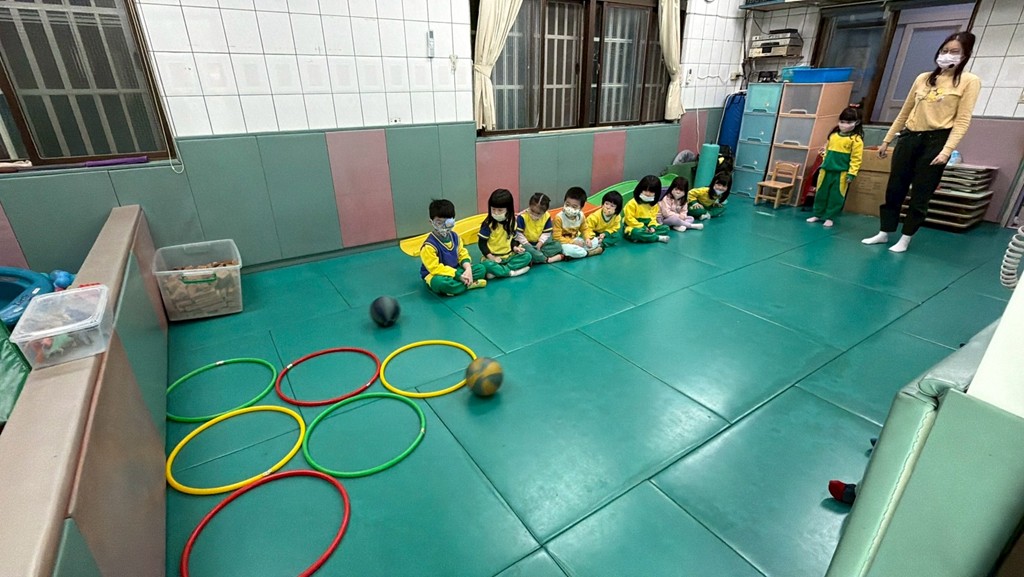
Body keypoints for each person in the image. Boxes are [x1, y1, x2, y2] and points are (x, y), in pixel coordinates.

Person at [862, 31, 981, 253]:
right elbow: (905, 111)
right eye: (944, 50)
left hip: (936, 141)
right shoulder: (923, 78)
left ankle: (906, 238)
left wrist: (946, 151)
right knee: (895, 188)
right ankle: (884, 232)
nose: (947, 55)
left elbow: (963, 120)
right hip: (910, 136)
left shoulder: (969, 81)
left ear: (965, 55)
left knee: (921, 193)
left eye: (954, 51)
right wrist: (887, 139)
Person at [806, 107, 864, 228]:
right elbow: (827, 151)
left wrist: (851, 173)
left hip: (841, 173)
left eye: (848, 122)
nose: (844, 125)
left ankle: (830, 217)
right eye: (842, 121)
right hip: (826, 170)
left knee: (836, 196)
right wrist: (824, 161)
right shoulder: (833, 136)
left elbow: (856, 159)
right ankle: (818, 214)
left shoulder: (856, 140)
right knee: (821, 193)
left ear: (856, 122)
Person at [419, 199, 487, 296]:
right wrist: (458, 275)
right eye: (439, 223)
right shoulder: (429, 246)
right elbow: (435, 268)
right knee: (440, 283)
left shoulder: (455, 237)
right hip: (438, 274)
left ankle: (458, 287)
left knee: (481, 269)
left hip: (456, 270)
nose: (444, 226)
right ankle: (468, 284)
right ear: (431, 222)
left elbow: (462, 254)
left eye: (448, 223)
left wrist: (468, 269)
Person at [478, 189, 532, 278]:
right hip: (493, 258)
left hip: (509, 256)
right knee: (486, 265)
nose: (496, 213)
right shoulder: (488, 224)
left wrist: (515, 248)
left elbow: (514, 239)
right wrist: (492, 258)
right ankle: (511, 272)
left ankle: (500, 271)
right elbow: (482, 244)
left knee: (527, 256)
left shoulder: (512, 222)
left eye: (500, 210)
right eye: (493, 209)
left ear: (508, 210)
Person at [553, 187, 602, 258]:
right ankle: (587, 253)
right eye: (567, 204)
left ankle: (581, 252)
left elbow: (584, 229)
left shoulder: (581, 215)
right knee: (570, 250)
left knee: (594, 241)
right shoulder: (559, 217)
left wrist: (587, 239)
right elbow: (556, 238)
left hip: (576, 239)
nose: (570, 208)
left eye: (574, 207)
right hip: (564, 243)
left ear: (581, 208)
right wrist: (573, 242)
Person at [515, 193, 564, 264]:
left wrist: (540, 243)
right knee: (525, 249)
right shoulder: (522, 217)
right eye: (532, 211)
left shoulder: (546, 216)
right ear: (529, 206)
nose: (534, 214)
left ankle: (534, 257)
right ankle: (546, 259)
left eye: (538, 213)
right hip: (525, 244)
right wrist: (527, 243)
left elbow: (546, 233)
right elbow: (518, 234)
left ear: (544, 212)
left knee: (558, 246)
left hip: (539, 245)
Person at [623, 176, 671, 243]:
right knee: (636, 233)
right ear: (640, 189)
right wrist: (643, 227)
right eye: (645, 190)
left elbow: (653, 218)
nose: (648, 194)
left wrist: (652, 227)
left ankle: (647, 236)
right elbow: (629, 219)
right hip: (633, 227)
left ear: (656, 193)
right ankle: (656, 238)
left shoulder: (654, 205)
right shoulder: (632, 203)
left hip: (647, 227)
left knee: (666, 228)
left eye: (651, 192)